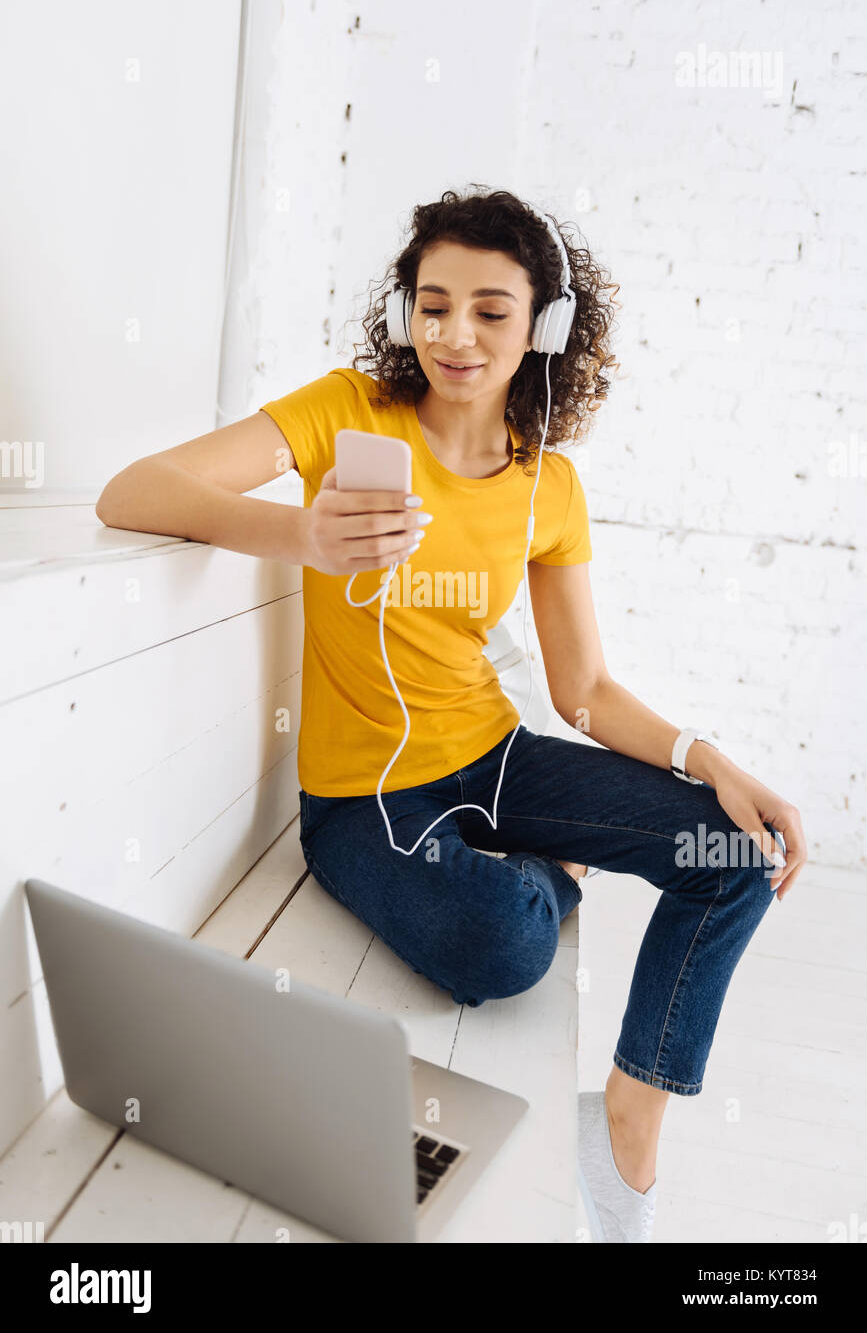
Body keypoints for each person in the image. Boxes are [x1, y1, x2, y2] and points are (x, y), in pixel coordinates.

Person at [96, 186, 807, 1243]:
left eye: (489, 309)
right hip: (366, 796)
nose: (455, 334)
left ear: (545, 328)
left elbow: (583, 691)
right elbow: (131, 492)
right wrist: (303, 538)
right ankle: (547, 879)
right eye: (433, 305)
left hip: (498, 757)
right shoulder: (344, 412)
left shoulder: (547, 486)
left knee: (735, 852)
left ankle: (625, 1127)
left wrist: (710, 759)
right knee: (498, 948)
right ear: (404, 314)